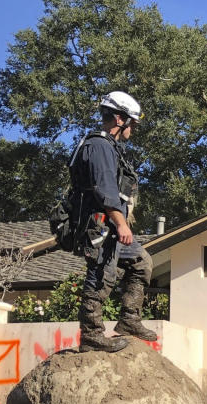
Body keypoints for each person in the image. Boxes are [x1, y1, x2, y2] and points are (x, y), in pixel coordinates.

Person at [70, 90, 156, 352]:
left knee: (141, 262)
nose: (134, 129)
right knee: (101, 276)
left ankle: (129, 319)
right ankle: (92, 335)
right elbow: (104, 189)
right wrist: (121, 223)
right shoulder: (99, 147)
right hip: (100, 225)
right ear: (120, 119)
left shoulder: (109, 147)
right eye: (133, 123)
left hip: (109, 225)